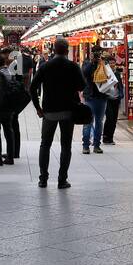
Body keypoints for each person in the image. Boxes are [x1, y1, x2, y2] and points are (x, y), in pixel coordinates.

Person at [31, 36, 85, 188]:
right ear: (67, 51)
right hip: (68, 111)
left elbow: (32, 87)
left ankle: (43, 179)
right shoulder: (73, 66)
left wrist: (38, 108)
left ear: (53, 50)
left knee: (45, 144)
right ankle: (62, 180)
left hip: (49, 112)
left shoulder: (45, 66)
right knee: (65, 146)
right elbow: (82, 86)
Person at [81, 44, 108, 155]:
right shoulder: (87, 63)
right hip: (90, 96)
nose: (98, 56)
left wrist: (102, 62)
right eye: (96, 54)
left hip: (102, 96)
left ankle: (97, 145)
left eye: (99, 54)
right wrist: (92, 62)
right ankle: (86, 146)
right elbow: (85, 73)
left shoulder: (104, 63)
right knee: (88, 121)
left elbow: (109, 76)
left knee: (99, 122)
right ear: (92, 54)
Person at [102, 54, 125, 146]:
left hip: (116, 98)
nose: (112, 64)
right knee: (109, 118)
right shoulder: (105, 73)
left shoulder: (117, 73)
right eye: (110, 63)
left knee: (114, 119)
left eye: (113, 63)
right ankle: (105, 137)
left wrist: (121, 94)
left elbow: (120, 85)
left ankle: (110, 137)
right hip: (107, 99)